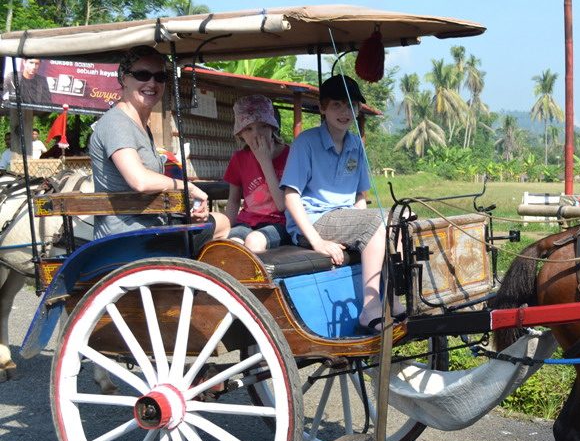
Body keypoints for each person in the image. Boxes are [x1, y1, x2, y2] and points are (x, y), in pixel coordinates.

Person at [281, 74, 402, 340]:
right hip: (313, 221)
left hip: (344, 219)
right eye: (337, 105)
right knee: (376, 222)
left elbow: (360, 197)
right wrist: (317, 242)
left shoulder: (356, 144)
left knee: (400, 217)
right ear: (323, 108)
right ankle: (370, 309)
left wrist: (361, 230)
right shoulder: (307, 142)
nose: (345, 112)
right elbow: (291, 196)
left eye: (351, 105)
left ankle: (395, 297)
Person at [87, 45, 230, 242]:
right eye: (143, 75)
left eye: (160, 77)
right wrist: (188, 187)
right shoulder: (116, 123)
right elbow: (140, 181)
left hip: (152, 224)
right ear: (124, 78)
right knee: (222, 224)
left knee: (219, 222)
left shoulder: (140, 126)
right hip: (128, 236)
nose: (152, 83)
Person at [224, 95, 290, 253]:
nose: (256, 134)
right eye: (248, 128)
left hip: (281, 222)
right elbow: (233, 201)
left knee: (254, 242)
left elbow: (282, 205)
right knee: (232, 245)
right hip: (247, 220)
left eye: (263, 126)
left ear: (273, 128)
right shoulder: (239, 158)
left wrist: (265, 161)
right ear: (240, 133)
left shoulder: (290, 155)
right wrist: (226, 228)